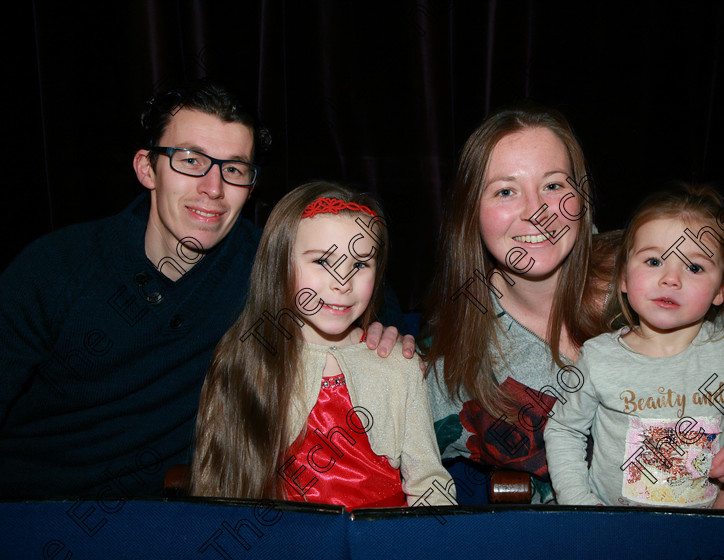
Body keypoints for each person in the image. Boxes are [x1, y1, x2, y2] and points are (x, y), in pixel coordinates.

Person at [0, 80, 409, 499]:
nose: (213, 188)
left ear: (250, 186)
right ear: (147, 168)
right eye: (190, 160)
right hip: (36, 502)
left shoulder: (266, 265)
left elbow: (366, 292)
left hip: (172, 510)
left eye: (233, 169)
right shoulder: (56, 266)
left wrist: (383, 328)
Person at [188, 182, 454, 509]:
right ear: (281, 265)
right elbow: (215, 482)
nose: (341, 283)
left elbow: (428, 480)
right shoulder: (241, 359)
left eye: (359, 264)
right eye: (322, 262)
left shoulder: (399, 364)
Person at [544, 185, 724, 508]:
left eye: (694, 267)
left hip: (698, 535)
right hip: (610, 531)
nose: (671, 278)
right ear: (624, 278)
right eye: (654, 261)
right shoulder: (599, 357)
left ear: (722, 290)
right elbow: (563, 430)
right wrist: (578, 503)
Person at [424, 104, 609, 503]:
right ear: (471, 213)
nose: (536, 211)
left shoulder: (649, 288)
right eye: (506, 191)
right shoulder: (452, 363)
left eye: (555, 185)